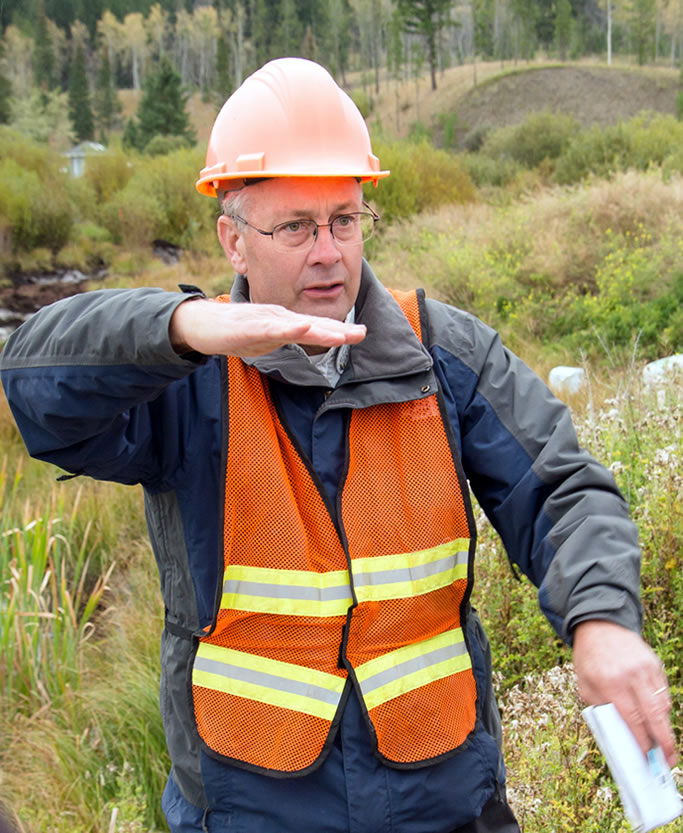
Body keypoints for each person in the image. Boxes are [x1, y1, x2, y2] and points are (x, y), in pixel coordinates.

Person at [0, 58, 677, 833]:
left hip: (445, 801)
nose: (327, 251)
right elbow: (35, 387)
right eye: (294, 226)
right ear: (233, 240)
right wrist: (178, 329)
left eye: (344, 219)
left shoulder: (443, 354)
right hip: (249, 809)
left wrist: (602, 620)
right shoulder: (185, 381)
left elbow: (560, 488)